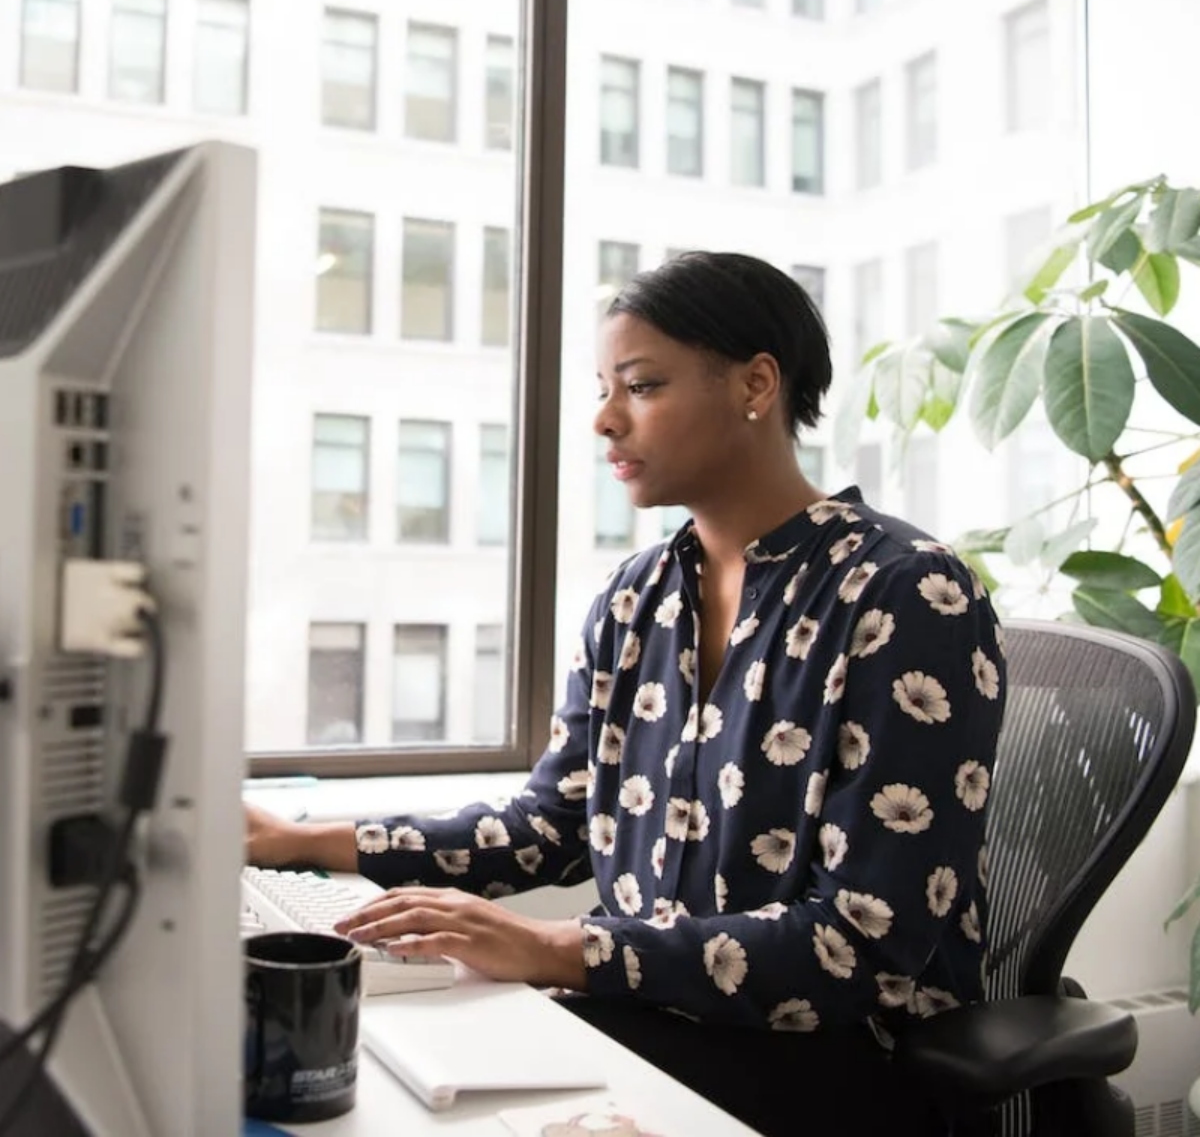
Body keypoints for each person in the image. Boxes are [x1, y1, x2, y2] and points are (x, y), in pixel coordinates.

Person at [246, 251, 1006, 1136]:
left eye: (640, 386)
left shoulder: (907, 594)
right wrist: (301, 843)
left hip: (840, 1061)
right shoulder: (638, 594)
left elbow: (859, 947)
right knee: (345, 1075)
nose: (606, 420)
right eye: (605, 389)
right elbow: (552, 826)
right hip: (650, 1025)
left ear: (756, 384)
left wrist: (556, 949)